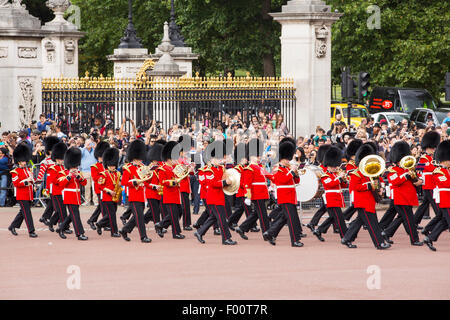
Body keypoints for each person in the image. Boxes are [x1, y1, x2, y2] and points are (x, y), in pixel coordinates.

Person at [341, 144, 391, 249]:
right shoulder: (356, 173)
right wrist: (368, 185)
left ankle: (347, 238)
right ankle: (379, 243)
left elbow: (377, 181)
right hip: (362, 202)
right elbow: (355, 187)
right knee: (372, 224)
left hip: (369, 200)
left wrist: (380, 188)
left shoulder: (370, 171)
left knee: (359, 221)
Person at [193, 140, 237, 245]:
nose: (220, 160)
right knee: (222, 219)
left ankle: (200, 232)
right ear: (212, 159)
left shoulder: (221, 168)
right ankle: (226, 238)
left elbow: (225, 177)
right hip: (213, 198)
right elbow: (212, 183)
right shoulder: (208, 170)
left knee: (213, 217)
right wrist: (225, 182)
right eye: (217, 158)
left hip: (220, 196)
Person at [381, 141, 423, 246]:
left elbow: (416, 179)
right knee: (409, 219)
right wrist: (405, 176)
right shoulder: (392, 170)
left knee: (401, 218)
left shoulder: (408, 168)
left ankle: (386, 233)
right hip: (400, 198)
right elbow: (395, 181)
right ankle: (414, 239)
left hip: (408, 197)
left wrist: (418, 180)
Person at [263, 140, 304, 247]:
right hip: (284, 196)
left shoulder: (287, 168)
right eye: (287, 159)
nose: (289, 161)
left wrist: (295, 174)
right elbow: (283, 181)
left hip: (290, 196)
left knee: (284, 218)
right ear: (282, 159)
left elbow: (296, 182)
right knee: (291, 219)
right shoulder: (277, 169)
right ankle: (295, 240)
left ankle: (270, 233)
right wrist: (291, 172)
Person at [235, 138, 271, 241]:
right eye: (257, 156)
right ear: (251, 156)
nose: (259, 157)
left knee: (257, 213)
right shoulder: (249, 168)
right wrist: (248, 196)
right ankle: (266, 233)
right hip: (256, 194)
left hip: (262, 193)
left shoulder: (259, 167)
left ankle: (242, 228)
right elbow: (247, 184)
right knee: (263, 214)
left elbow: (268, 176)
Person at [312, 146, 348, 242]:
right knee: (339, 219)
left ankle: (319, 230)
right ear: (328, 165)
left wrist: (344, 179)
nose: (335, 168)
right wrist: (339, 178)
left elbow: (343, 186)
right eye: (333, 166)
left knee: (333, 217)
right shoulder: (325, 175)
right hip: (331, 199)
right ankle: (345, 237)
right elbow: (330, 184)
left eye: (335, 166)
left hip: (337, 199)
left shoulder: (335, 174)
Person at [119, 140, 152, 243]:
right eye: (138, 159)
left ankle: (124, 230)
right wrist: (135, 182)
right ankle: (143, 236)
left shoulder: (143, 167)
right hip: (133, 195)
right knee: (140, 218)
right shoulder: (128, 168)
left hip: (142, 195)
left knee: (138, 216)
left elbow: (147, 180)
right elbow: (124, 182)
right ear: (133, 158)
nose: (139, 160)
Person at [154, 141, 186, 239]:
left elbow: (181, 174)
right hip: (169, 194)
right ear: (168, 158)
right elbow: (162, 181)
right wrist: (173, 182)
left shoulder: (173, 167)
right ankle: (176, 233)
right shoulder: (162, 168)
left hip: (175, 194)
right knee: (173, 214)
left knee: (179, 212)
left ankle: (160, 224)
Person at [423, 140, 450, 251]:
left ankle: (430, 238)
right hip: (445, 200)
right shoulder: (438, 171)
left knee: (444, 222)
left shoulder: (447, 170)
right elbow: (446, 183)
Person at [57, 147, 89, 240]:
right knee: (75, 215)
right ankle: (80, 234)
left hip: (77, 196)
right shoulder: (63, 173)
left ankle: (61, 228)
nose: (75, 168)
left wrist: (79, 176)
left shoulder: (78, 172)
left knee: (72, 215)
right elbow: (61, 184)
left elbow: (84, 183)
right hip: (69, 196)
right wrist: (69, 176)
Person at [8, 144, 37, 238]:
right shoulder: (15, 171)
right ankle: (31, 231)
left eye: (24, 161)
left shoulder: (28, 170)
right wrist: (25, 183)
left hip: (29, 194)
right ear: (19, 162)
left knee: (23, 212)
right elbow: (16, 184)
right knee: (27, 213)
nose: (24, 162)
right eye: (22, 161)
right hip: (22, 195)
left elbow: (32, 180)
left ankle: (12, 226)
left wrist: (32, 183)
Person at [414, 131, 441, 226]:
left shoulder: (432, 157)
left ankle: (414, 222)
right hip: (428, 184)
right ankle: (441, 221)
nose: (434, 149)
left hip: (433, 183)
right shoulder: (423, 158)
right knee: (435, 204)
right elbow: (419, 170)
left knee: (424, 204)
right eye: (432, 148)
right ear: (428, 147)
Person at [96, 147, 121, 237]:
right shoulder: (103, 174)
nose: (112, 167)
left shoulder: (117, 173)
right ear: (107, 165)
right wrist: (109, 191)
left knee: (112, 213)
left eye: (113, 165)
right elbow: (100, 186)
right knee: (112, 215)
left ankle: (100, 224)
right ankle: (114, 232)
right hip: (107, 196)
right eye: (110, 166)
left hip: (114, 196)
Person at [86, 141, 110, 230]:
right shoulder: (95, 166)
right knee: (103, 207)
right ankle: (105, 224)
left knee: (101, 206)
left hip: (107, 189)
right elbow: (96, 178)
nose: (101, 158)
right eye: (100, 157)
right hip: (100, 189)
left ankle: (92, 220)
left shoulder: (106, 166)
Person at [36, 136, 60, 225]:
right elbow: (41, 173)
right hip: (51, 185)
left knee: (53, 203)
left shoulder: (59, 160)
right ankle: (59, 221)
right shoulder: (46, 161)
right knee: (57, 204)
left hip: (59, 184)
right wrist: (38, 184)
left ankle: (45, 217)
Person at [342, 139, 363, 221]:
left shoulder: (359, 162)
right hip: (355, 187)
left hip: (361, 186)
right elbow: (350, 176)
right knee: (357, 205)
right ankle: (345, 216)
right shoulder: (350, 164)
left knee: (360, 207)